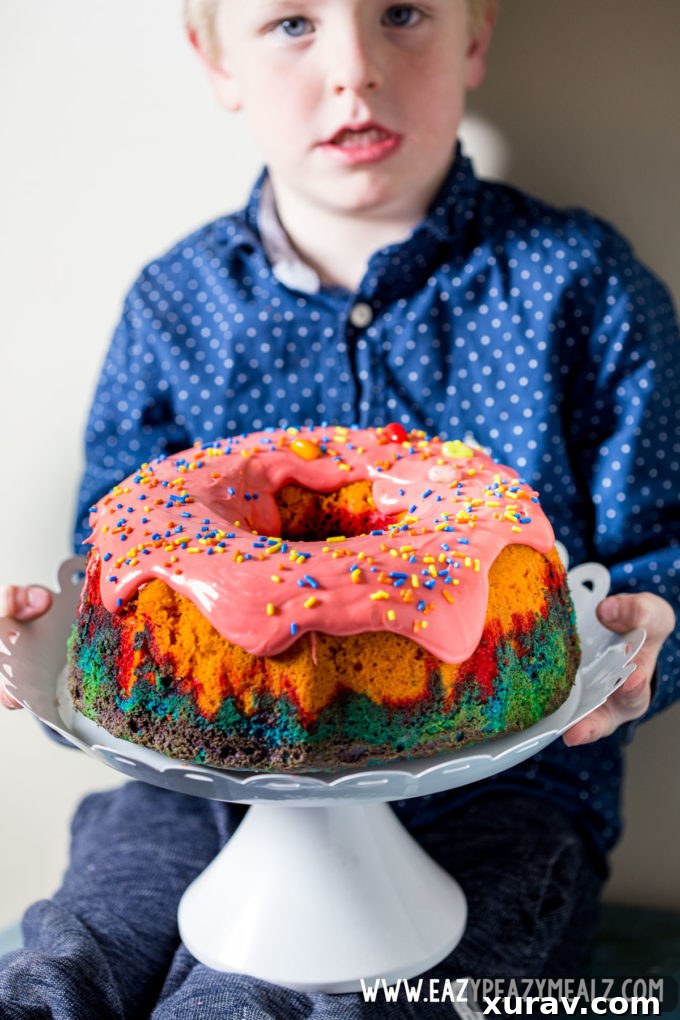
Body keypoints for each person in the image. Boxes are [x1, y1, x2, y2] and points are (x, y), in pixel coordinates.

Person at [0, 0, 678, 1015]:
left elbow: (661, 556)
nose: (353, 69)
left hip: (502, 801)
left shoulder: (579, 289)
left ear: (475, 37)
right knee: (75, 954)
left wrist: (646, 642)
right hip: (192, 790)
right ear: (213, 59)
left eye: (400, 12)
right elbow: (113, 595)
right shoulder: (174, 307)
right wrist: (36, 645)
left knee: (371, 995)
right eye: (290, 24)